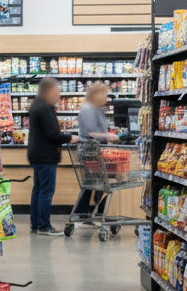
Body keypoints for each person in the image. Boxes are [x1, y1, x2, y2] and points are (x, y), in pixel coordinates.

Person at [27, 76, 76, 234]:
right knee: (46, 191)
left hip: (37, 154)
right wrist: (70, 138)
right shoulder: (45, 108)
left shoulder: (37, 105)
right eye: (57, 92)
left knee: (38, 190)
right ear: (48, 91)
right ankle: (44, 225)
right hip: (45, 155)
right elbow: (52, 134)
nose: (58, 96)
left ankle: (36, 224)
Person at [73, 82, 119, 221]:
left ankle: (91, 211)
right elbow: (89, 132)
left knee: (96, 182)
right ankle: (84, 212)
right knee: (92, 183)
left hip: (97, 151)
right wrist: (107, 136)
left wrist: (107, 137)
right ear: (97, 94)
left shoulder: (98, 108)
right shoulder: (88, 108)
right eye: (104, 94)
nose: (106, 97)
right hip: (89, 151)